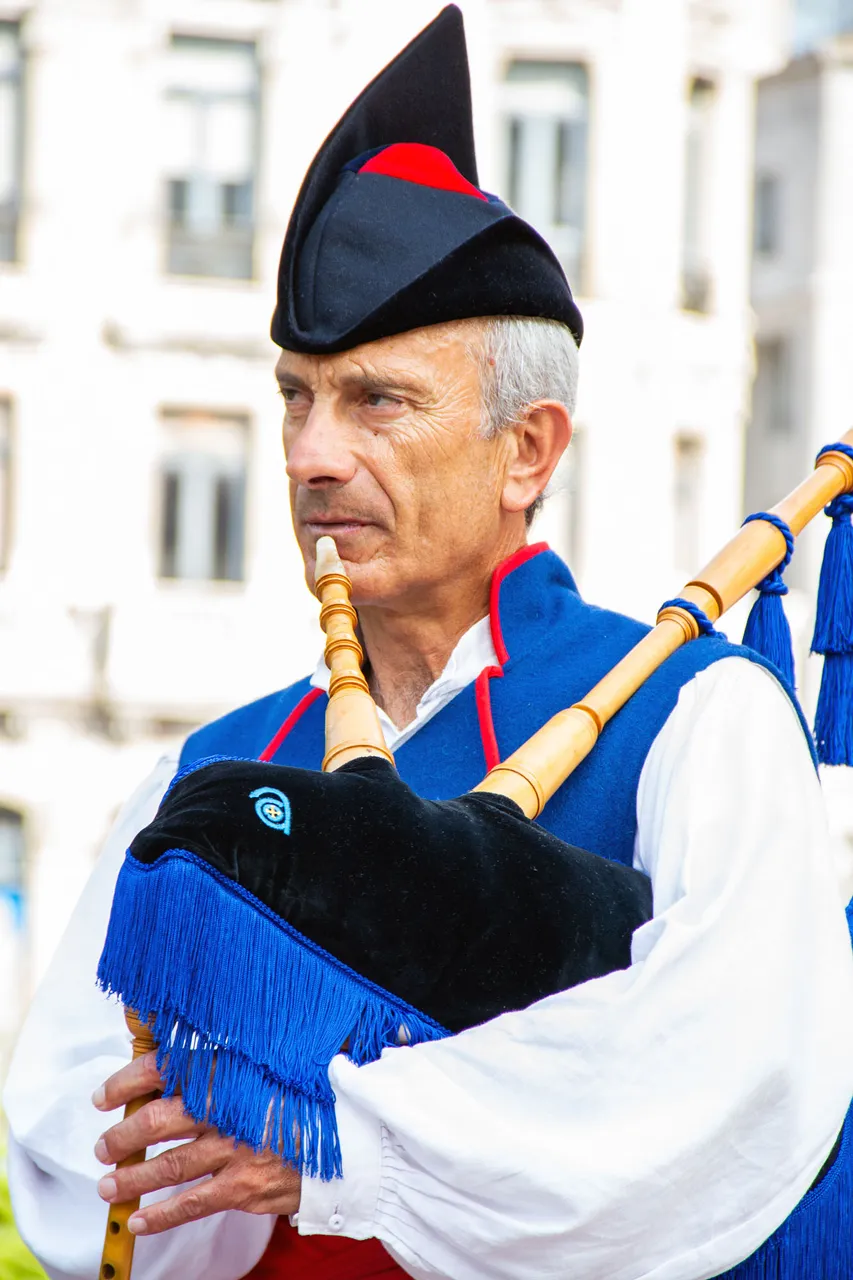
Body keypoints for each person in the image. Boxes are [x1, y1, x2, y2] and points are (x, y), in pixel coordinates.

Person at [6, 7, 853, 1280]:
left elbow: (727, 1075)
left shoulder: (697, 716)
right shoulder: (214, 769)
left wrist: (347, 1140)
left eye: (376, 401)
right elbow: (74, 1151)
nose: (309, 454)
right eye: (294, 395)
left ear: (528, 450)